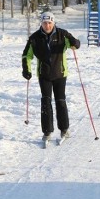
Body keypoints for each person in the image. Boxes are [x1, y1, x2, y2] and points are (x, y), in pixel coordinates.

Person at [22, 11, 81, 144]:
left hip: (60, 73)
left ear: (53, 22)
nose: (47, 25)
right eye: (44, 23)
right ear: (41, 23)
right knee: (46, 102)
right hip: (44, 75)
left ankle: (64, 129)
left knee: (60, 101)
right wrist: (26, 69)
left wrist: (74, 43)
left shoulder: (62, 34)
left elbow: (75, 44)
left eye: (49, 23)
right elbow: (26, 55)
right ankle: (47, 131)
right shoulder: (34, 38)